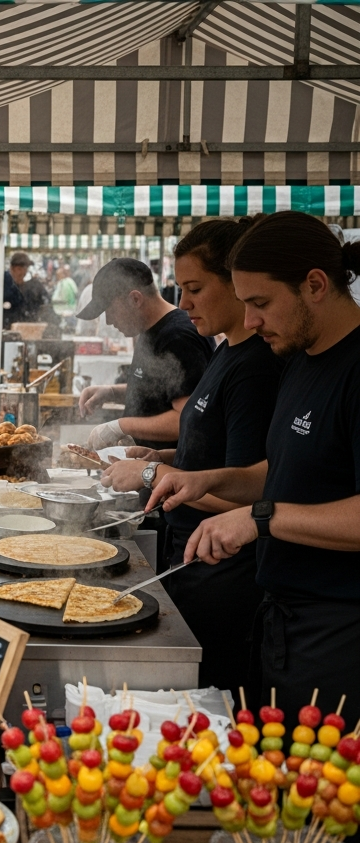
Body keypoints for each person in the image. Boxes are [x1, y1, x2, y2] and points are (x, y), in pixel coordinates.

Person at [146, 212, 360, 729]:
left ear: (314, 284)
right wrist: (210, 480)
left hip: (338, 637)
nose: (253, 321)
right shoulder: (301, 359)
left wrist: (260, 517)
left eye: (261, 303)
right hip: (280, 626)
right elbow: (286, 470)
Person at [102, 218, 283, 689]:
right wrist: (161, 455)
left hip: (225, 575)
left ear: (235, 283)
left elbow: (244, 494)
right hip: (192, 557)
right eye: (181, 289)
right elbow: (210, 452)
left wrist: (150, 476)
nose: (184, 304)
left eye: (195, 289)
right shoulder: (226, 352)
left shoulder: (256, 369)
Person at [77, 257, 215, 451]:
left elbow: (187, 418)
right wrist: (111, 392)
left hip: (171, 473)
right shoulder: (150, 329)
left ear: (135, 299)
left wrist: (120, 426)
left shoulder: (178, 338)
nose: (108, 321)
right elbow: (160, 391)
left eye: (110, 310)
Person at [3, 252, 58, 328]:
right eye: (19, 269)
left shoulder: (34, 287)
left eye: (25, 269)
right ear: (12, 269)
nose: (22, 272)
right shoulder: (5, 288)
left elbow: (46, 307)